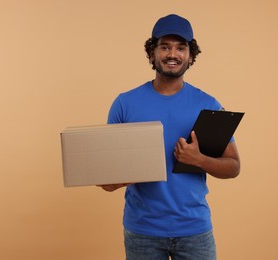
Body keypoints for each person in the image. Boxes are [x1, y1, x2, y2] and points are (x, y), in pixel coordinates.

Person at [99, 14, 241, 260]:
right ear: (152, 52)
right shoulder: (125, 103)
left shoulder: (208, 105)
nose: (172, 54)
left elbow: (234, 167)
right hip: (142, 232)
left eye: (180, 48)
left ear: (190, 55)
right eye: (164, 47)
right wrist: (121, 177)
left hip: (195, 231)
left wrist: (199, 160)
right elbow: (105, 181)